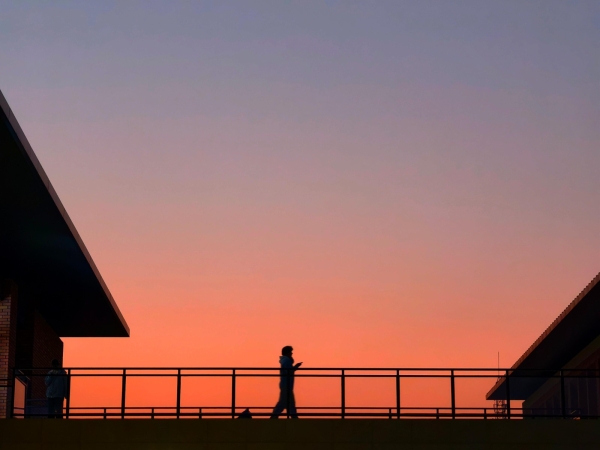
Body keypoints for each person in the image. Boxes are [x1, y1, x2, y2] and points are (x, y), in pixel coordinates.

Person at [270, 346, 302, 419]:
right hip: (286, 385)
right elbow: (289, 371)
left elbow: (288, 370)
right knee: (286, 403)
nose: (291, 353)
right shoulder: (286, 360)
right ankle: (293, 418)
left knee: (286, 403)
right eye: (290, 352)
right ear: (287, 353)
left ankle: (274, 417)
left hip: (286, 385)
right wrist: (295, 367)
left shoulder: (285, 360)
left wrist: (295, 367)